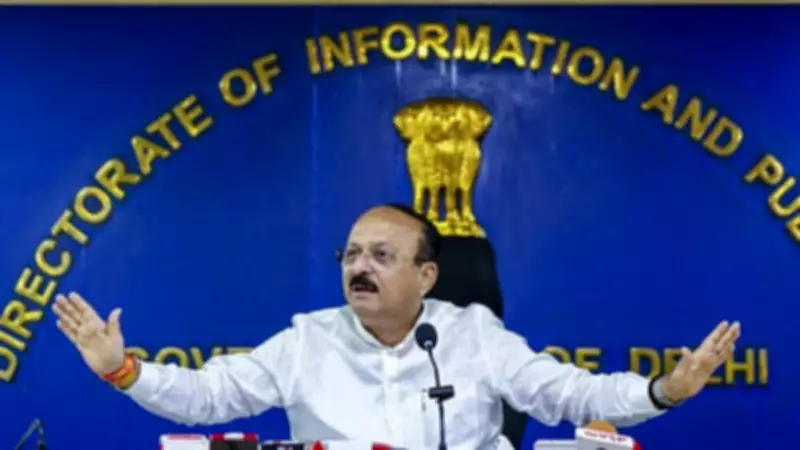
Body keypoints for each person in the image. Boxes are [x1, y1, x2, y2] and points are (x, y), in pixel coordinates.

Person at [53, 204, 741, 450]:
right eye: (352, 254)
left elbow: (571, 395)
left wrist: (664, 391)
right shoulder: (307, 339)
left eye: (382, 256)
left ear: (427, 275)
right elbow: (209, 396)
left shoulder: (472, 335)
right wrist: (122, 369)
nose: (360, 267)